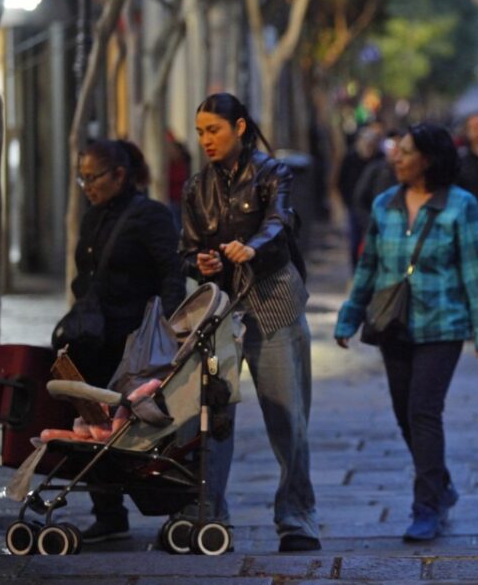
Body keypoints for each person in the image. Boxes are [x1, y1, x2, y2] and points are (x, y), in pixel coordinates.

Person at [334, 123, 478, 542]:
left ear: (427, 158)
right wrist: (349, 318)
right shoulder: (384, 205)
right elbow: (369, 266)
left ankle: (426, 507)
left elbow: (476, 272)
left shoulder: (460, 206)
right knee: (405, 415)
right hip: (393, 325)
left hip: (442, 326)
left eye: (405, 151)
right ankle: (440, 485)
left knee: (424, 412)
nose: (396, 157)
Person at [179, 92, 321, 552]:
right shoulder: (196, 186)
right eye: (200, 132)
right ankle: (208, 514)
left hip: (272, 304)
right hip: (220, 311)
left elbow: (281, 222)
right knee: (212, 416)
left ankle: (297, 518)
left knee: (287, 418)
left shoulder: (272, 172)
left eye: (214, 130)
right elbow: (185, 248)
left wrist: (254, 246)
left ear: (239, 127)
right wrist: (197, 261)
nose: (206, 140)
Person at [66, 138, 186, 542]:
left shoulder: (150, 216)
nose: (87, 186)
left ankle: (173, 505)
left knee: (134, 431)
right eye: (81, 178)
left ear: (120, 175)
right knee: (92, 427)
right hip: (94, 342)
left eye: (93, 177)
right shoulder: (91, 217)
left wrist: (167, 334)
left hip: (132, 346)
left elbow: (172, 273)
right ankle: (108, 510)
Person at [338, 123, 385, 267]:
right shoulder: (351, 157)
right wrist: (347, 201)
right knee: (355, 241)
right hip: (354, 207)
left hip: (375, 208)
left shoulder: (379, 159)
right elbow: (341, 180)